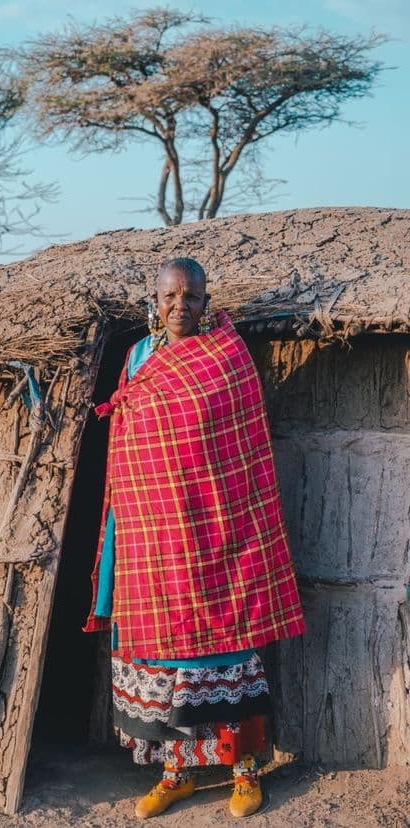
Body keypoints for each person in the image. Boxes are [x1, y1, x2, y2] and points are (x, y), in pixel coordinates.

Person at [83, 257, 305, 819]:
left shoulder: (227, 359)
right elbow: (131, 441)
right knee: (166, 652)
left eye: (192, 297)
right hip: (152, 528)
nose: (181, 306)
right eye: (170, 296)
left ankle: (244, 771)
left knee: (225, 644)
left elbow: (240, 447)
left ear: (207, 302)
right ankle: (176, 773)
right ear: (154, 301)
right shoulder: (137, 357)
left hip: (216, 526)